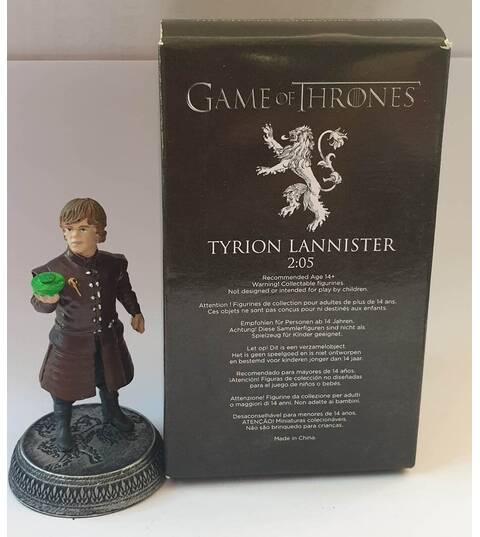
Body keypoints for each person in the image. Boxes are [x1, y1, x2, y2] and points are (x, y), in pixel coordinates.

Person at [31, 198, 145, 451]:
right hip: (70, 343)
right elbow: (40, 303)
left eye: (82, 228)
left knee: (110, 380)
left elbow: (124, 290)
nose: (74, 235)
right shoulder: (52, 270)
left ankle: (112, 412)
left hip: (107, 338)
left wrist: (135, 312)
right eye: (69, 229)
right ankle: (62, 425)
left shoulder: (113, 264)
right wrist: (47, 301)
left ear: (98, 231)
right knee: (63, 389)